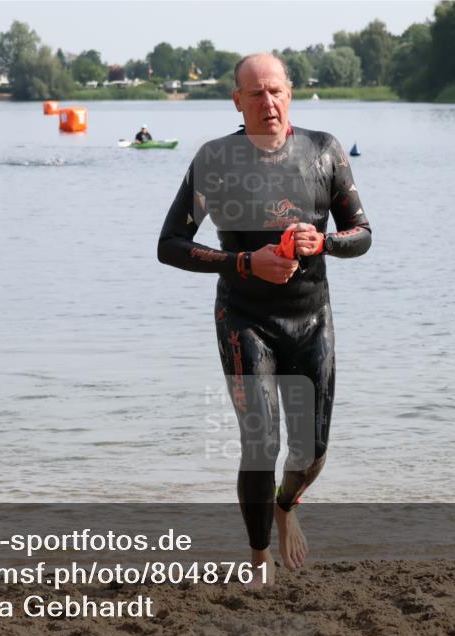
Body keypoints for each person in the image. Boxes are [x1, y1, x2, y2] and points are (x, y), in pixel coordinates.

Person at [157, 53, 371, 587]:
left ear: (290, 94)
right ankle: (258, 556)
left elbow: (362, 233)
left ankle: (286, 504)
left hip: (311, 318)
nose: (267, 102)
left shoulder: (324, 152)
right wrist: (244, 262)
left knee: (313, 452)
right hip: (244, 318)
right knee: (262, 444)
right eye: (255, 94)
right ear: (237, 101)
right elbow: (170, 245)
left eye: (275, 91)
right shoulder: (216, 160)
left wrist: (323, 242)